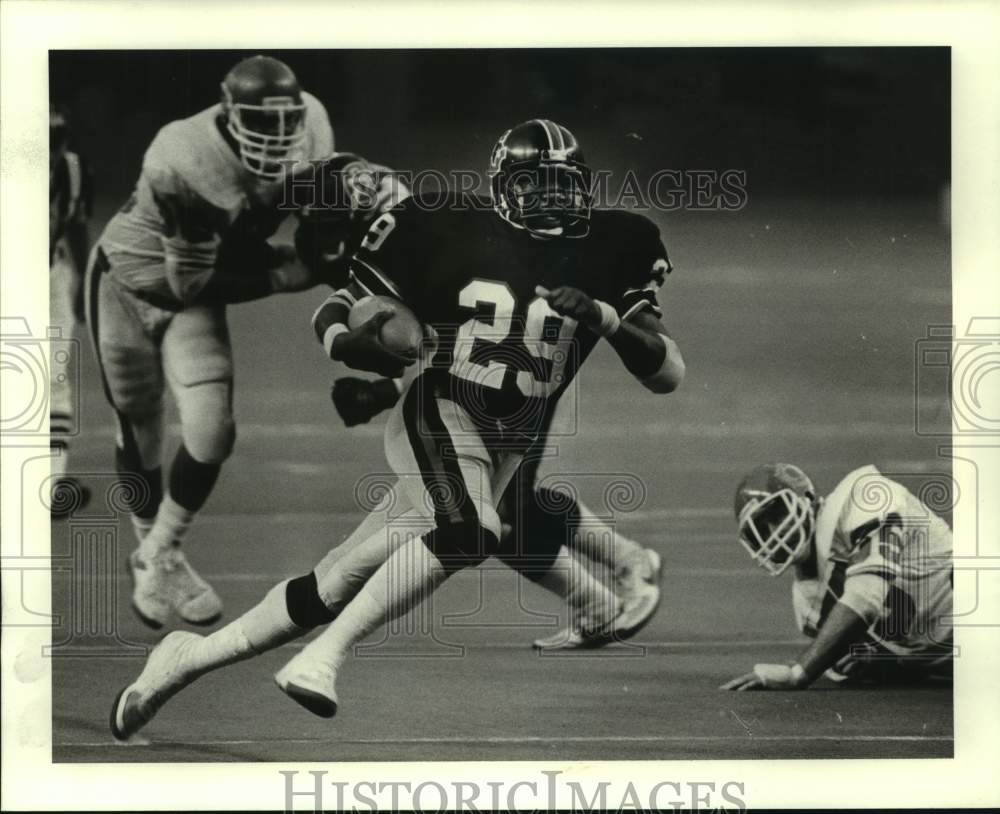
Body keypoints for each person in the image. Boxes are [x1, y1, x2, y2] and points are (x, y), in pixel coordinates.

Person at [110, 118, 684, 737]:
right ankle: (324, 658)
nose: (551, 198)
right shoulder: (439, 230)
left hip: (507, 435)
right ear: (501, 188)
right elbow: (360, 317)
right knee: (473, 531)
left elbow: (667, 371)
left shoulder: (616, 242)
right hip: (441, 410)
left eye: (562, 184)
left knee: (332, 583)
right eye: (534, 184)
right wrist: (357, 348)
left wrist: (604, 317)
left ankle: (184, 659)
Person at [86, 55, 401, 629]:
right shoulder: (183, 156)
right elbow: (190, 280)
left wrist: (328, 240)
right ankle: (157, 555)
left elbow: (316, 216)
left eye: (288, 125)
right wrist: (289, 274)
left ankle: (159, 550)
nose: (280, 139)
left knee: (212, 431)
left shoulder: (315, 125)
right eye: (262, 124)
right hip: (128, 282)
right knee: (141, 423)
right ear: (230, 117)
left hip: (193, 296)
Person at [721, 463, 953, 691]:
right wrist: (879, 664)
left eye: (778, 513)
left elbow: (867, 594)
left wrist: (800, 671)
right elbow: (902, 659)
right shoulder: (806, 603)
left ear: (807, 498)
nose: (774, 531)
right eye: (761, 528)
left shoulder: (862, 495)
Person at [49, 103, 93, 517]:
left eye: (53, 142)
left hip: (50, 276)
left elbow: (77, 225)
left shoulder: (72, 171)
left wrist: (78, 283)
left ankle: (51, 481)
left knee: (54, 377)